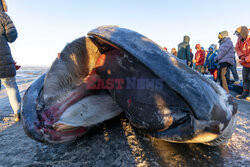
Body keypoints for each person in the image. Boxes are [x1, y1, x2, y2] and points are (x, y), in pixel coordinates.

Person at [0, 0, 21, 122]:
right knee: (10, 86)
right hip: (3, 57)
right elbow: (12, 35)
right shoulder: (3, 16)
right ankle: (17, 114)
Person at [234, 26, 250, 100]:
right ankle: (245, 93)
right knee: (245, 78)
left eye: (238, 35)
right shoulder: (239, 40)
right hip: (245, 63)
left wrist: (246, 59)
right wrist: (241, 56)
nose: (238, 36)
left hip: (247, 61)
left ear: (243, 33)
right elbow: (237, 49)